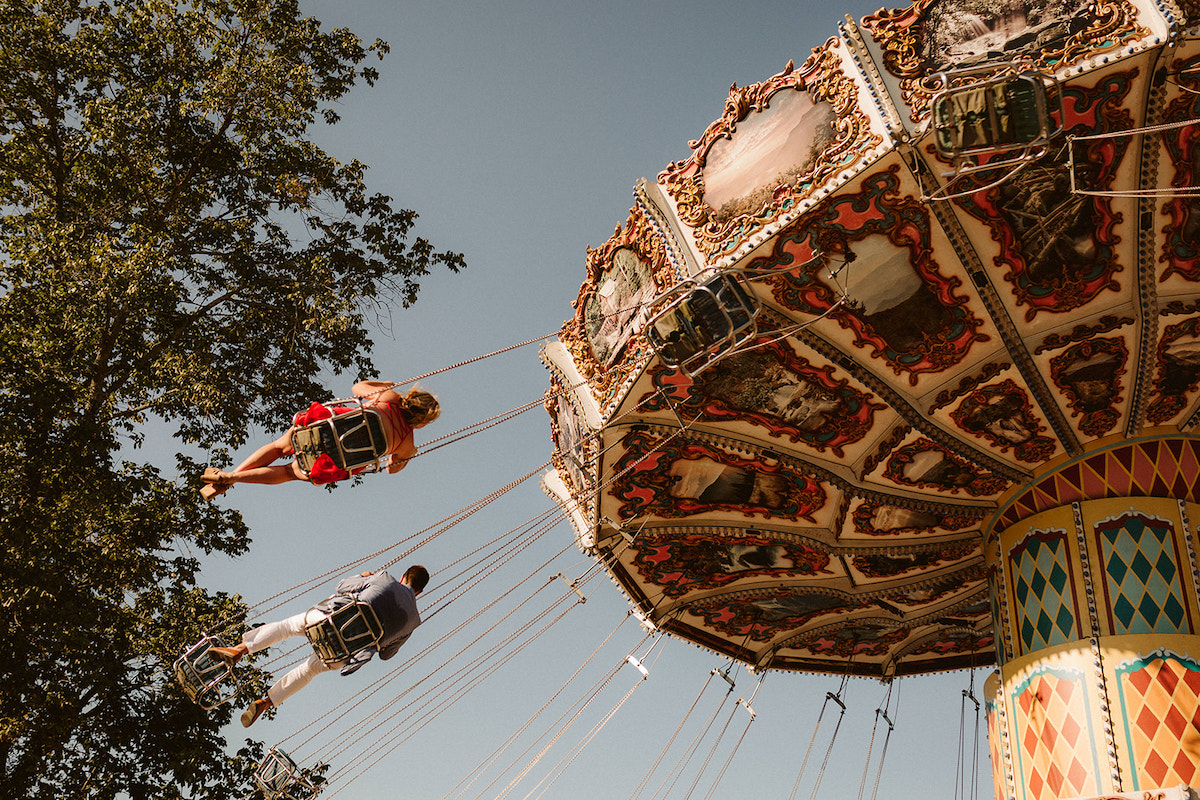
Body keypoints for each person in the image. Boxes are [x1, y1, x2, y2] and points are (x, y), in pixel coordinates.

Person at [209, 565, 430, 727]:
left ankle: (239, 650)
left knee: (288, 626)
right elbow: (386, 655)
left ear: (403, 576)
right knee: (309, 670)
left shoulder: (384, 578)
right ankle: (266, 702)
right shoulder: (413, 622)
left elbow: (342, 586)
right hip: (342, 654)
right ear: (419, 592)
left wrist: (364, 576)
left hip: (326, 622)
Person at [201, 381, 439, 499]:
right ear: (423, 421)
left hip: (320, 430)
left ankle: (229, 477)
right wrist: (406, 456)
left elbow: (358, 388)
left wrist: (385, 384)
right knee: (286, 473)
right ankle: (233, 479)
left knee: (277, 447)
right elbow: (391, 469)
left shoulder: (389, 396)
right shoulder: (408, 443)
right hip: (331, 460)